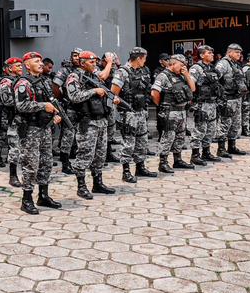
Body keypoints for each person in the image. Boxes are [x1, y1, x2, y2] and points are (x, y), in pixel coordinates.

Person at [13, 51, 64, 215]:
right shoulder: (23, 83)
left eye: (41, 61)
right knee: (31, 165)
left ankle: (43, 195)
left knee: (46, 162)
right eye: (37, 61)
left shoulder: (45, 82)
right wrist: (43, 106)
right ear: (27, 65)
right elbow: (21, 106)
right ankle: (27, 199)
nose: (41, 63)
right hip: (30, 130)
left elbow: (51, 102)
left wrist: (54, 114)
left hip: (45, 128)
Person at [64, 50, 117, 198]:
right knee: (85, 155)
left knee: (100, 155)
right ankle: (81, 186)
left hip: (101, 120)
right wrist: (94, 91)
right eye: (91, 62)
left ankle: (97, 183)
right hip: (87, 122)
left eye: (95, 62)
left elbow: (104, 92)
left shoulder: (95, 76)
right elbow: (74, 96)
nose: (95, 64)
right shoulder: (74, 77)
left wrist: (111, 99)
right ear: (82, 63)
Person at [111, 47, 154, 179]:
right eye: (144, 58)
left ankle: (140, 167)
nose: (145, 61)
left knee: (142, 141)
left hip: (141, 111)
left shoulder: (143, 71)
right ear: (138, 58)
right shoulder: (122, 72)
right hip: (128, 113)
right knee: (129, 142)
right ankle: (126, 171)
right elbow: (113, 93)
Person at [151, 53, 195, 172]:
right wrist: (161, 106)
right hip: (170, 112)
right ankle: (163, 163)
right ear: (173, 63)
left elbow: (193, 89)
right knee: (168, 137)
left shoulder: (181, 75)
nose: (183, 67)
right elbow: (154, 93)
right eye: (181, 65)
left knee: (180, 137)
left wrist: (187, 74)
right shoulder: (163, 76)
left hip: (181, 112)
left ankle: (178, 160)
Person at [0, 57, 23, 187]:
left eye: (21, 65)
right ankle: (0, 158)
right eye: (17, 65)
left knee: (17, 142)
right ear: (9, 68)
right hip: (7, 114)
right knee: (3, 135)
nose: (21, 67)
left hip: (20, 117)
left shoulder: (21, 80)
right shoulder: (3, 81)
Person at [213, 43, 248, 158]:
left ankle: (232, 146)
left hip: (237, 98)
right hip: (227, 99)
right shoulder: (223, 64)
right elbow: (215, 79)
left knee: (235, 124)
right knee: (225, 123)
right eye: (237, 52)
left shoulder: (236, 64)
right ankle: (221, 148)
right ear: (229, 52)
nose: (239, 54)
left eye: (240, 52)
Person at [189, 45, 221, 163]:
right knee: (200, 129)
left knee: (211, 129)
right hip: (202, 103)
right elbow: (191, 85)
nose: (212, 54)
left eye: (212, 53)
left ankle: (206, 152)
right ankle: (195, 155)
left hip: (212, 103)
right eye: (209, 53)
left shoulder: (212, 68)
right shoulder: (196, 68)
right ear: (202, 55)